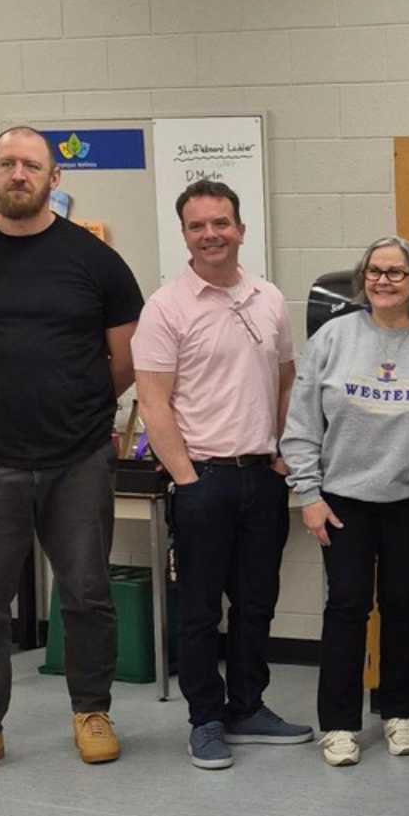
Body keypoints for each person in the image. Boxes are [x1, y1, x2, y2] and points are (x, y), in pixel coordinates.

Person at [0, 125, 141, 784]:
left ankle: (91, 712)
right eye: (7, 163)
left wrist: (77, 407)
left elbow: (127, 359)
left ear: (52, 178)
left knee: (87, 593)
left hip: (77, 459)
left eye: (31, 165)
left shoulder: (94, 261)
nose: (18, 174)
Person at [133, 179, 313, 770]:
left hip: (262, 477)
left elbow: (285, 381)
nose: (211, 234)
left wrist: (283, 453)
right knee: (200, 609)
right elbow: (153, 401)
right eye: (198, 226)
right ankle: (206, 719)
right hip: (203, 480)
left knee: (257, 603)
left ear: (240, 228)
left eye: (221, 223)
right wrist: (187, 479)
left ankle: (247, 707)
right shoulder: (166, 307)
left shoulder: (268, 298)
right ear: (184, 235)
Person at [281, 236, 409, 768]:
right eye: (374, 271)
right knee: (347, 606)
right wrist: (308, 494)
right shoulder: (333, 337)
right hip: (343, 500)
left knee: (402, 604)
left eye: (395, 272)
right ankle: (338, 723)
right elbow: (301, 423)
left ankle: (400, 712)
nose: (383, 281)